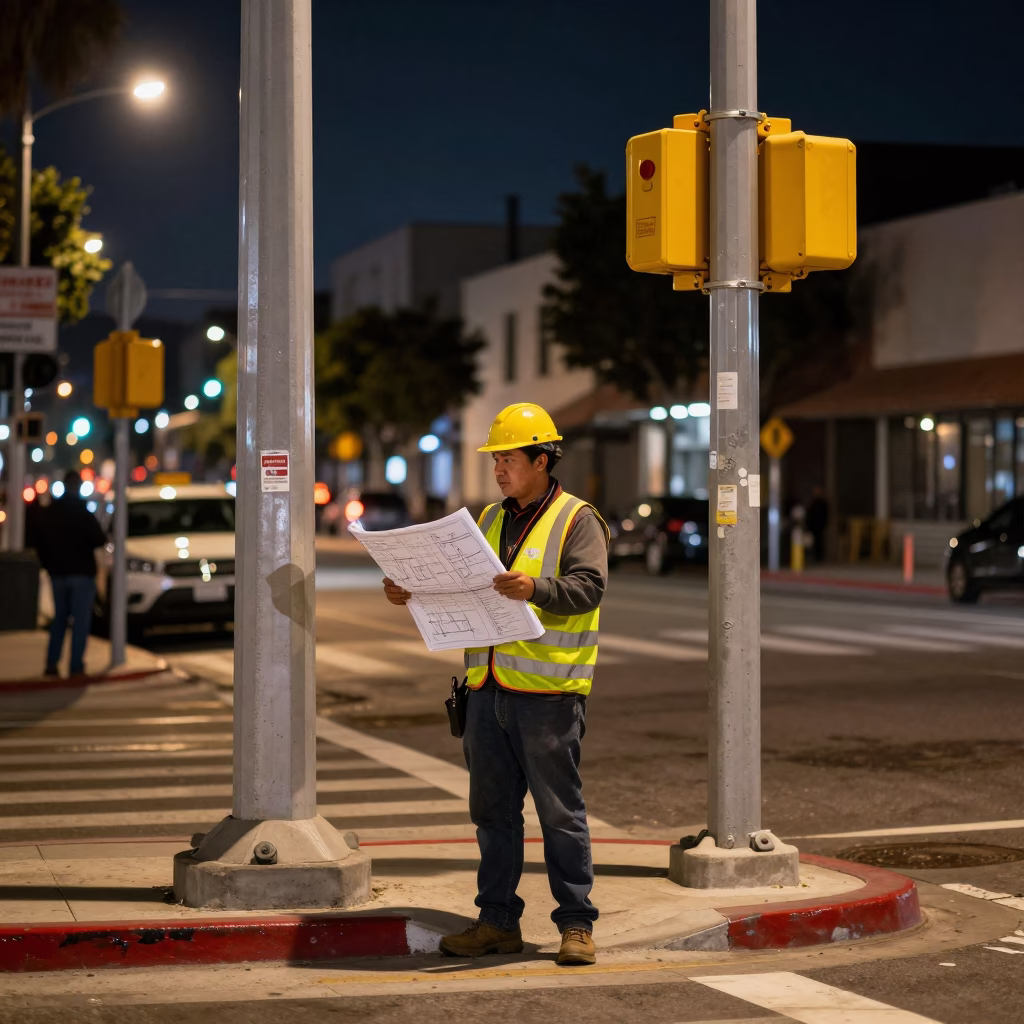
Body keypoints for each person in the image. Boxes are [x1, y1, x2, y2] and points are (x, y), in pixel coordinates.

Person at [383, 402, 610, 967]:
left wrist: (535, 587)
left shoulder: (578, 519)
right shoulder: (488, 519)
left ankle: (576, 924)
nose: (499, 469)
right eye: (496, 460)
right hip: (486, 691)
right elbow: (465, 589)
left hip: (548, 697)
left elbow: (589, 588)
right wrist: (411, 590)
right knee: (493, 814)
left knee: (560, 813)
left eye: (508, 458)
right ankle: (497, 922)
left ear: (542, 459)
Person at [27, 469, 107, 678]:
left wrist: (49, 563)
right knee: (80, 621)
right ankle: (76, 666)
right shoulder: (81, 512)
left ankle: (52, 663)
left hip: (59, 573)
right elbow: (99, 538)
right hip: (80, 573)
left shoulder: (52, 512)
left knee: (60, 619)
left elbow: (38, 540)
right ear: (77, 487)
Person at [806, 485, 829, 563]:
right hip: (813, 525)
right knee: (813, 542)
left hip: (820, 525)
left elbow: (826, 514)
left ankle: (819, 557)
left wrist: (825, 523)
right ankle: (814, 556)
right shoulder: (812, 502)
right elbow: (809, 513)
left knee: (820, 541)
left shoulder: (822, 503)